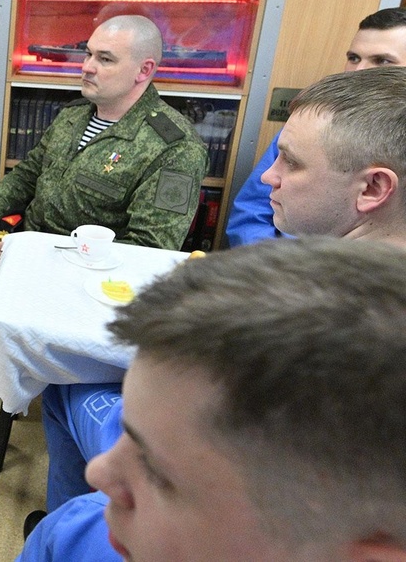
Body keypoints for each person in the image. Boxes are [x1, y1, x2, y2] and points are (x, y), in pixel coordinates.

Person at [23, 65, 406, 560]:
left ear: (373, 188)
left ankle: (94, 517)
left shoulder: (328, 316)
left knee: (64, 381)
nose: (268, 175)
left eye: (290, 162)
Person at [0, 15, 208, 477]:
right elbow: (25, 176)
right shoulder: (74, 116)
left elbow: (147, 251)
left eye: (105, 59)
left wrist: (31, 251)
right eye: (88, 54)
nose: (87, 66)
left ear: (144, 70)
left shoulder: (173, 147)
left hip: (76, 280)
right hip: (21, 246)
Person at [226, 6, 406, 246]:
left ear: (374, 187)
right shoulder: (311, 127)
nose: (359, 70)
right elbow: (251, 213)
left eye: (382, 61)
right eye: (353, 58)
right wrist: (281, 264)